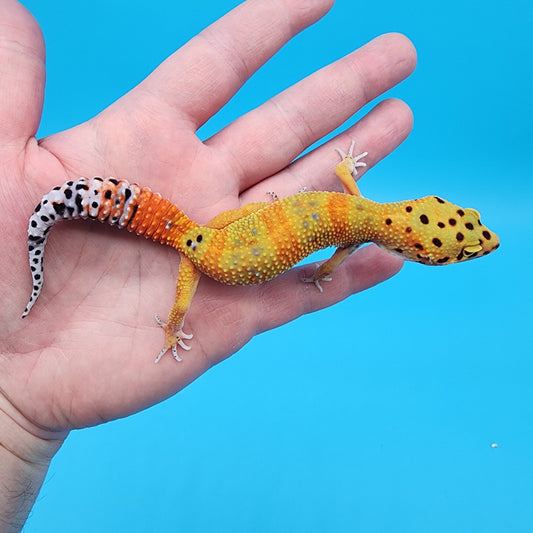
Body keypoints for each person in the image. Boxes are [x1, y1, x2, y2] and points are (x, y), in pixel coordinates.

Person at [0, 0, 416, 529]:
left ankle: (166, 301)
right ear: (410, 240)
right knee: (188, 277)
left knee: (198, 239)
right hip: (204, 254)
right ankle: (172, 324)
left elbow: (341, 180)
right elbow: (331, 264)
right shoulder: (354, 236)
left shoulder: (361, 209)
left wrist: (9, 418)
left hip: (213, 235)